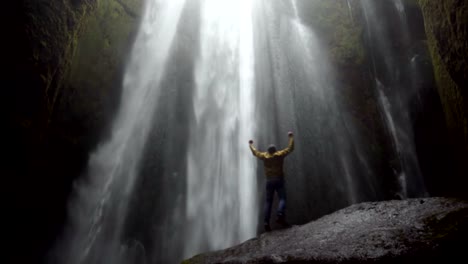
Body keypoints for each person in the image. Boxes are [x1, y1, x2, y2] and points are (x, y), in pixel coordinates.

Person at [249, 132, 294, 232]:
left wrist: (251, 144)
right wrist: (291, 137)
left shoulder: (264, 156)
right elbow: (290, 148)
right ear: (275, 150)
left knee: (268, 202)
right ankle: (280, 214)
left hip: (269, 181)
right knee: (282, 198)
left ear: (268, 151)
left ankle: (266, 222)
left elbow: (255, 152)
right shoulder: (280, 155)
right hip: (279, 179)